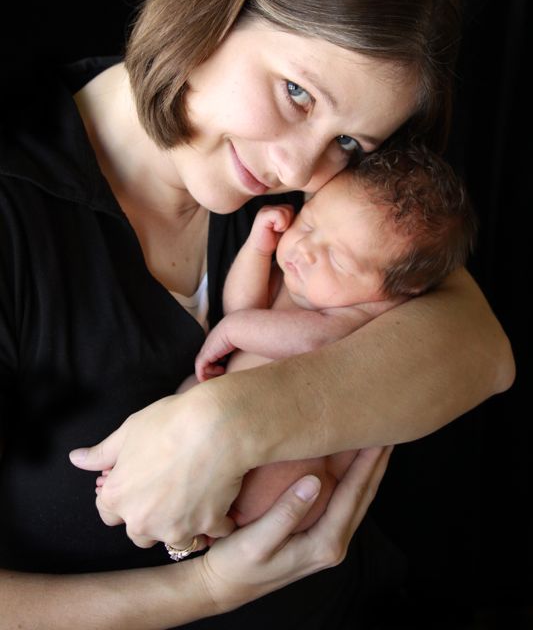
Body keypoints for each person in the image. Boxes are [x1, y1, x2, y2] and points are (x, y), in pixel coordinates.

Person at [0, 0, 513, 629]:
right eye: (296, 93)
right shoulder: (16, 205)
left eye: (347, 141)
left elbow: (478, 350)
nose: (302, 170)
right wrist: (202, 592)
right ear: (215, 5)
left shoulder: (320, 203)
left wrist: (227, 420)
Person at [180, 146, 476, 532]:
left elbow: (312, 343)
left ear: (400, 290)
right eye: (310, 224)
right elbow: (241, 308)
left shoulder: (362, 314)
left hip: (293, 466)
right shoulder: (300, 280)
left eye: (338, 260)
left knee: (265, 466)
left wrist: (232, 332)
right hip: (238, 427)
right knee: (184, 400)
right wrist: (258, 248)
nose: (304, 250)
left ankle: (215, 523)